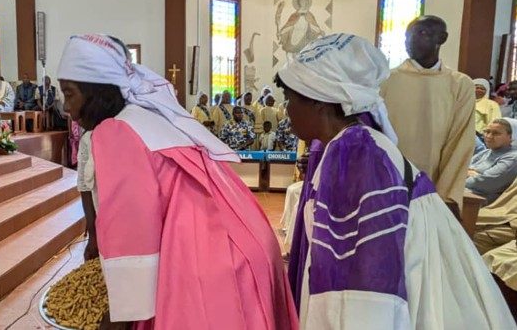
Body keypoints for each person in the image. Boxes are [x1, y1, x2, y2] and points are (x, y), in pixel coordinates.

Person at [57, 33, 298, 329]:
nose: (66, 108)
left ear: (96, 91)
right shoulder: (151, 116)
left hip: (211, 261)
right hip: (247, 245)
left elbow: (132, 231)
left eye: (69, 94)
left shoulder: (116, 132)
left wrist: (116, 320)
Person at [278, 33, 514, 329]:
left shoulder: (353, 157)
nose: (285, 112)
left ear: (320, 103)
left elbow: (358, 296)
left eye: (290, 100)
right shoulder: (357, 140)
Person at [380, 15, 475, 208]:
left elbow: (460, 142)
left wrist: (447, 196)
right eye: (408, 35)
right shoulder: (385, 80)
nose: (411, 41)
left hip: (433, 189)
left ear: (442, 38)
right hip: (385, 184)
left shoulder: (459, 85)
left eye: (422, 33)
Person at [466, 118, 517, 204]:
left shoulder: (513, 157)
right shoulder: (486, 152)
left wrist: (465, 175)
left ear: (511, 137)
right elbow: (460, 170)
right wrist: (472, 174)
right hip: (463, 192)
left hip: (476, 201)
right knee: (435, 187)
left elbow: (485, 182)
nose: (488, 136)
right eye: (487, 131)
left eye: (496, 133)